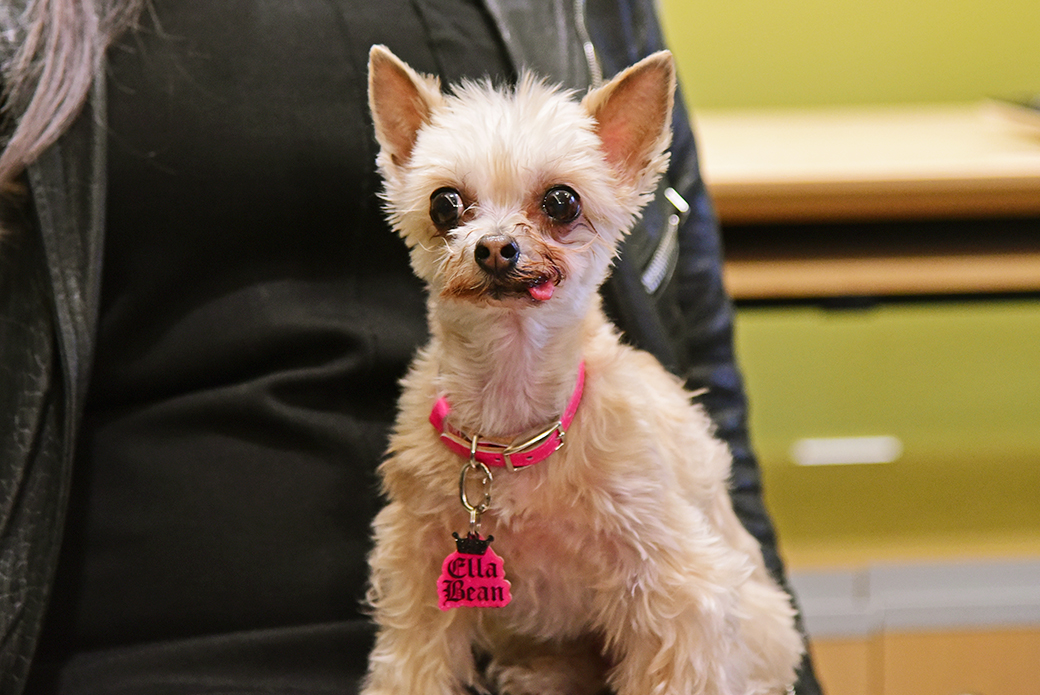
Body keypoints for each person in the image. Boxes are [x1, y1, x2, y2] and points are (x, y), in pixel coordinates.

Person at [0, 1, 822, 693]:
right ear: (402, 171)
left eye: (558, 206)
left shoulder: (630, 429)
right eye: (453, 209)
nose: (499, 243)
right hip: (135, 636)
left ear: (624, 162)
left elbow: (700, 339)